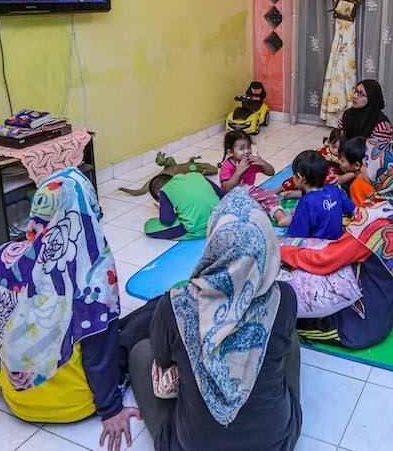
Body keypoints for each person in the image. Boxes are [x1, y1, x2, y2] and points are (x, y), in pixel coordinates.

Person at [0, 168, 139, 451]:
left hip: (18, 403)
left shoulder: (0, 262)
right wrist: (111, 410)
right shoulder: (92, 273)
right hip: (76, 407)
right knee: (125, 332)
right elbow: (98, 356)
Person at [126, 188, 303, 451]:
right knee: (290, 341)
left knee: (141, 352)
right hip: (275, 442)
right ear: (266, 244)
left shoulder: (175, 304)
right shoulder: (283, 298)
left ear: (213, 242)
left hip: (192, 445)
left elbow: (163, 359)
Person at [282, 139, 393, 348]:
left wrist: (280, 250)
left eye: (369, 163)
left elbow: (323, 260)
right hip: (385, 311)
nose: (364, 165)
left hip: (358, 326)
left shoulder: (373, 222)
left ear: (386, 173)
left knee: (276, 309)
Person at [219, 129, 291, 227]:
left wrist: (263, 163)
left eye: (248, 147)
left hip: (250, 193)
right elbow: (227, 188)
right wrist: (238, 171)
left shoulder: (251, 162)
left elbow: (271, 172)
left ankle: (281, 217)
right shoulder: (227, 166)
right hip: (232, 198)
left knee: (270, 195)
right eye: (242, 148)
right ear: (231, 152)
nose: (247, 151)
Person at [285, 150, 356, 240]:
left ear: (300, 177)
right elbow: (354, 210)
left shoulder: (306, 202)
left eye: (293, 175)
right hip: (338, 243)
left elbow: (297, 238)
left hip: (319, 249)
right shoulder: (334, 189)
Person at [143, 169, 224, 240]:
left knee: (149, 226)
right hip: (221, 219)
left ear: (158, 195)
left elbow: (168, 221)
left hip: (201, 229)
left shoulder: (164, 191)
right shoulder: (197, 175)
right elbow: (222, 195)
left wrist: (163, 210)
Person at [281, 128, 344, 198]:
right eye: (334, 147)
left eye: (340, 148)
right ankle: (278, 190)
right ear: (329, 143)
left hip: (329, 177)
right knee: (298, 177)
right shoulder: (322, 152)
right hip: (315, 172)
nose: (336, 151)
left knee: (329, 184)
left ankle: (301, 193)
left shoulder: (343, 156)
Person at [338, 136, 375, 207]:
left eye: (343, 161)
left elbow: (360, 213)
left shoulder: (356, 186)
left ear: (357, 165)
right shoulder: (374, 176)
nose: (339, 162)